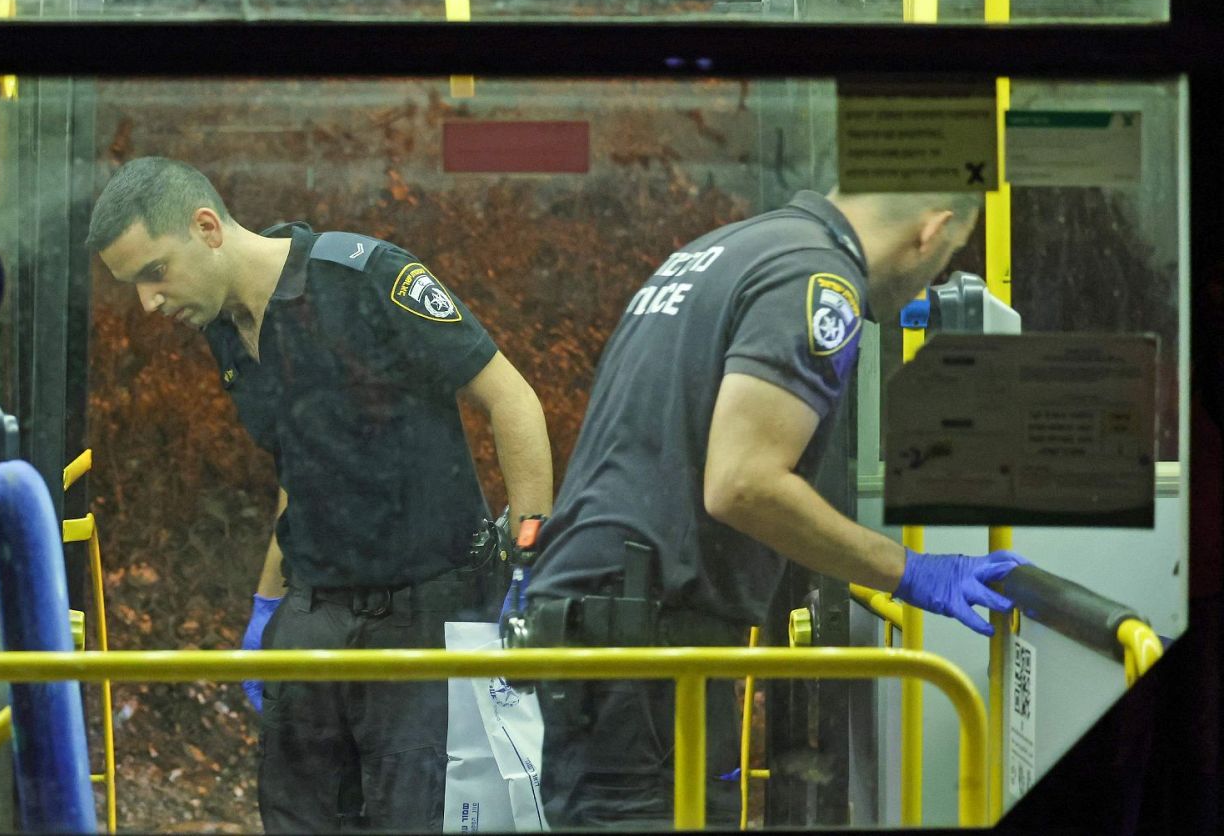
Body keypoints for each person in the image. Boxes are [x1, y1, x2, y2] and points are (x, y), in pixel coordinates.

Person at [516, 188, 1030, 829]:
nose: (938, 276)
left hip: (615, 627)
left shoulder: (726, 248)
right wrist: (912, 571)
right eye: (948, 256)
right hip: (643, 648)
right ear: (931, 231)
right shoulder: (818, 279)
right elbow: (743, 484)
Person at [87, 157, 553, 832]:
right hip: (315, 618)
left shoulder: (364, 277)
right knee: (297, 816)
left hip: (420, 615)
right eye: (132, 285)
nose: (148, 302)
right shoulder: (224, 328)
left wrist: (529, 561)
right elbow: (299, 471)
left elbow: (512, 400)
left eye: (154, 272)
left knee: (418, 817)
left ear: (207, 227)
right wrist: (268, 604)